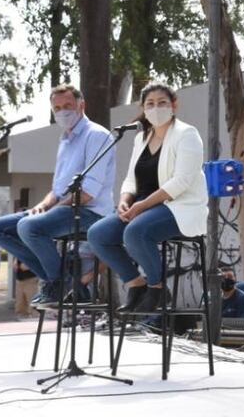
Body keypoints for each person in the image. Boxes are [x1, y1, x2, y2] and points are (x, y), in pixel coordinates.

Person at [88, 82, 209, 315]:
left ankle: (158, 287)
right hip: (142, 207)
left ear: (174, 105)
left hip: (179, 207)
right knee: (98, 234)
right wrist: (125, 199)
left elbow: (181, 181)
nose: (156, 108)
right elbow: (131, 178)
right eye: (150, 104)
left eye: (162, 103)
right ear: (143, 108)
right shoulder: (142, 137)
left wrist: (141, 206)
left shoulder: (187, 134)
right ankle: (137, 285)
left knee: (135, 232)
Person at [0, 85, 116, 304]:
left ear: (81, 105)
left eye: (68, 106)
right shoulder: (65, 140)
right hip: (64, 210)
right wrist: (41, 206)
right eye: (57, 108)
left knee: (30, 227)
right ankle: (62, 281)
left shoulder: (96, 135)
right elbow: (57, 190)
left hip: (91, 213)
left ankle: (56, 283)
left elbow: (88, 192)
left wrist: (51, 211)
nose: (62, 112)